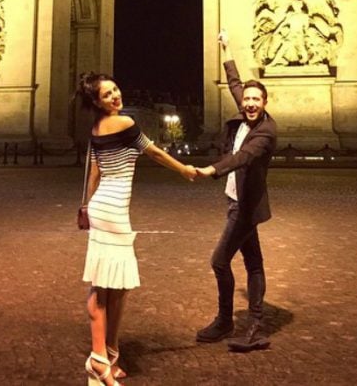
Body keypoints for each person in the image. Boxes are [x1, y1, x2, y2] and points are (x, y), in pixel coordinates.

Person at [78, 72, 197, 385]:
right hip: (114, 212)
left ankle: (108, 355)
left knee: (113, 285)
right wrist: (183, 169)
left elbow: (94, 171)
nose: (116, 96)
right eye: (107, 94)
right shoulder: (125, 124)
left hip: (104, 209)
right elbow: (154, 152)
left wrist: (88, 207)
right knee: (105, 287)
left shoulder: (96, 128)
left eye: (116, 89)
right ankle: (98, 360)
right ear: (96, 101)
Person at [195, 30, 277, 352]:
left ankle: (225, 320)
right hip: (239, 201)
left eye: (256, 100)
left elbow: (243, 157)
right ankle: (255, 322)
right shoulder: (244, 110)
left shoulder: (266, 132)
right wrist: (227, 49)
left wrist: (212, 169)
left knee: (219, 262)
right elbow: (234, 83)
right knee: (254, 262)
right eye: (247, 99)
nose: (250, 103)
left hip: (244, 207)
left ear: (265, 103)